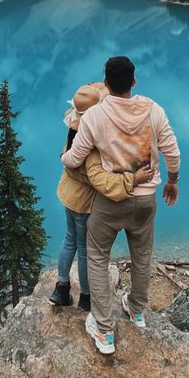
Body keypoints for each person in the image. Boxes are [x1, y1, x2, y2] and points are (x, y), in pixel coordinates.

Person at [61, 56, 180, 355]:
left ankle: (103, 329)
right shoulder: (154, 110)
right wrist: (172, 180)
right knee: (142, 254)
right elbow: (172, 151)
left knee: (98, 256)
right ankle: (136, 310)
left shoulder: (95, 116)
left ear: (106, 83)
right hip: (146, 200)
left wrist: (63, 159)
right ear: (134, 81)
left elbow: (74, 158)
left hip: (111, 202)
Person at [49, 82, 154, 310]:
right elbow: (98, 178)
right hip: (86, 201)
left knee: (69, 240)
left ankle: (62, 287)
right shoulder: (92, 141)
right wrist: (131, 179)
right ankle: (87, 297)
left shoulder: (73, 132)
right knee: (86, 248)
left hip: (69, 194)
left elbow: (65, 158)